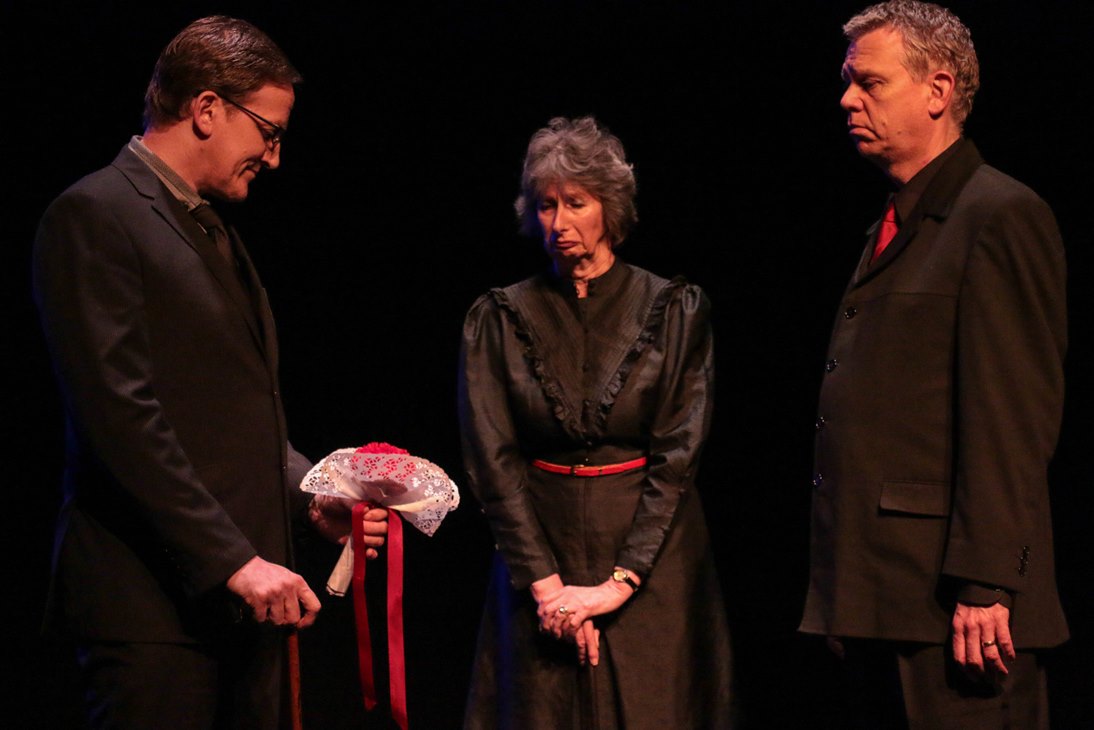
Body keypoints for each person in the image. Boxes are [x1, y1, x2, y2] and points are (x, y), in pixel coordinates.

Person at [33, 16, 387, 729]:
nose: (274, 157)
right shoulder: (95, 215)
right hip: (151, 613)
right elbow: (121, 421)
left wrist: (311, 495)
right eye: (269, 132)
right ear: (206, 109)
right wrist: (233, 561)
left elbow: (236, 414)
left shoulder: (209, 227)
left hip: (239, 611)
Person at [799, 2, 1068, 727]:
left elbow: (1012, 418)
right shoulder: (894, 223)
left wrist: (986, 582)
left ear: (938, 91)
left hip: (956, 612)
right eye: (848, 82)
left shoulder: (999, 215)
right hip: (880, 596)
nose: (847, 99)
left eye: (870, 83)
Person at [458, 116, 732, 729]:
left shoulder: (673, 309)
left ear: (610, 207)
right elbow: (491, 460)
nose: (558, 222)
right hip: (538, 551)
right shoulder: (499, 318)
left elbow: (678, 455)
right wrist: (547, 587)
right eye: (546, 204)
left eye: (576, 203)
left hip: (651, 556)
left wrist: (619, 582)